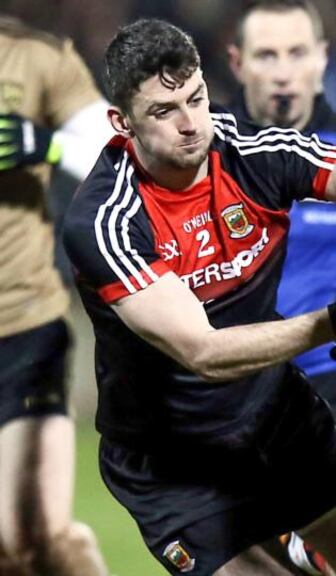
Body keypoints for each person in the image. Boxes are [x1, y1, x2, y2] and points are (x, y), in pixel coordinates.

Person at [60, 19, 336, 576]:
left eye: (196, 99)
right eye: (165, 111)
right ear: (122, 122)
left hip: (281, 421)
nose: (191, 125)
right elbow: (203, 352)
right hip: (177, 465)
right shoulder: (106, 220)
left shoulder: (250, 150)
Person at [225, 2, 336, 572]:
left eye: (297, 52)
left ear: (322, 59)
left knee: (319, 552)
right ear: (237, 63)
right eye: (266, 54)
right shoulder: (205, 153)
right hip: (237, 392)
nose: (282, 70)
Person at [0, 15, 112, 576]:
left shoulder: (36, 57)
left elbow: (113, 149)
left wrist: (45, 146)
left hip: (21, 325)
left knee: (34, 534)